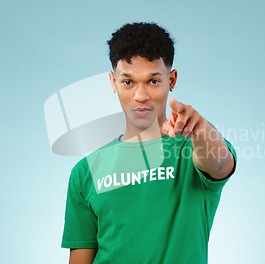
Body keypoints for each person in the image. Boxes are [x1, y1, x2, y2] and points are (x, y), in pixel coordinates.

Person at [61, 22, 237, 264]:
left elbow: (219, 164)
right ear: (113, 82)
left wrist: (201, 130)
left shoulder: (193, 149)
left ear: (171, 80)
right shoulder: (85, 171)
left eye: (153, 81)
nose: (140, 96)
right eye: (128, 82)